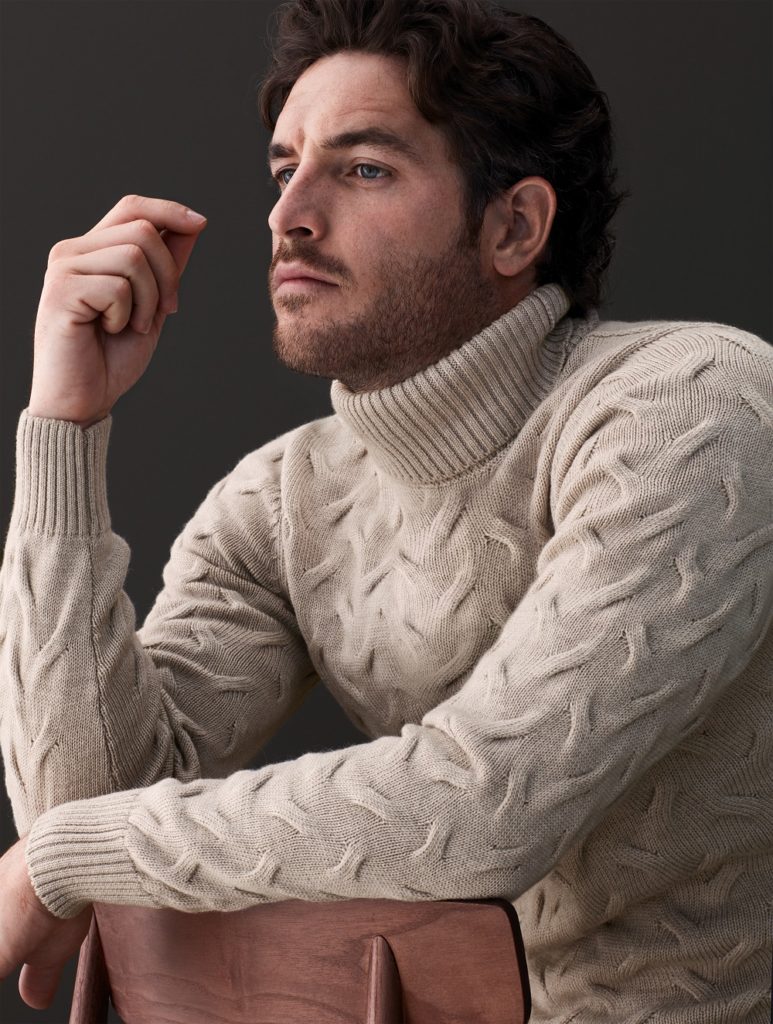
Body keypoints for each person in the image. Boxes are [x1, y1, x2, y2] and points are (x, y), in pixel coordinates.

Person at [0, 0, 771, 1019]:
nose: (287, 215)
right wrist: (64, 426)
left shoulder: (691, 406)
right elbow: (79, 812)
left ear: (512, 227)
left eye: (362, 169)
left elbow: (482, 803)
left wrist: (66, 854)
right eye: (284, 169)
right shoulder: (282, 499)